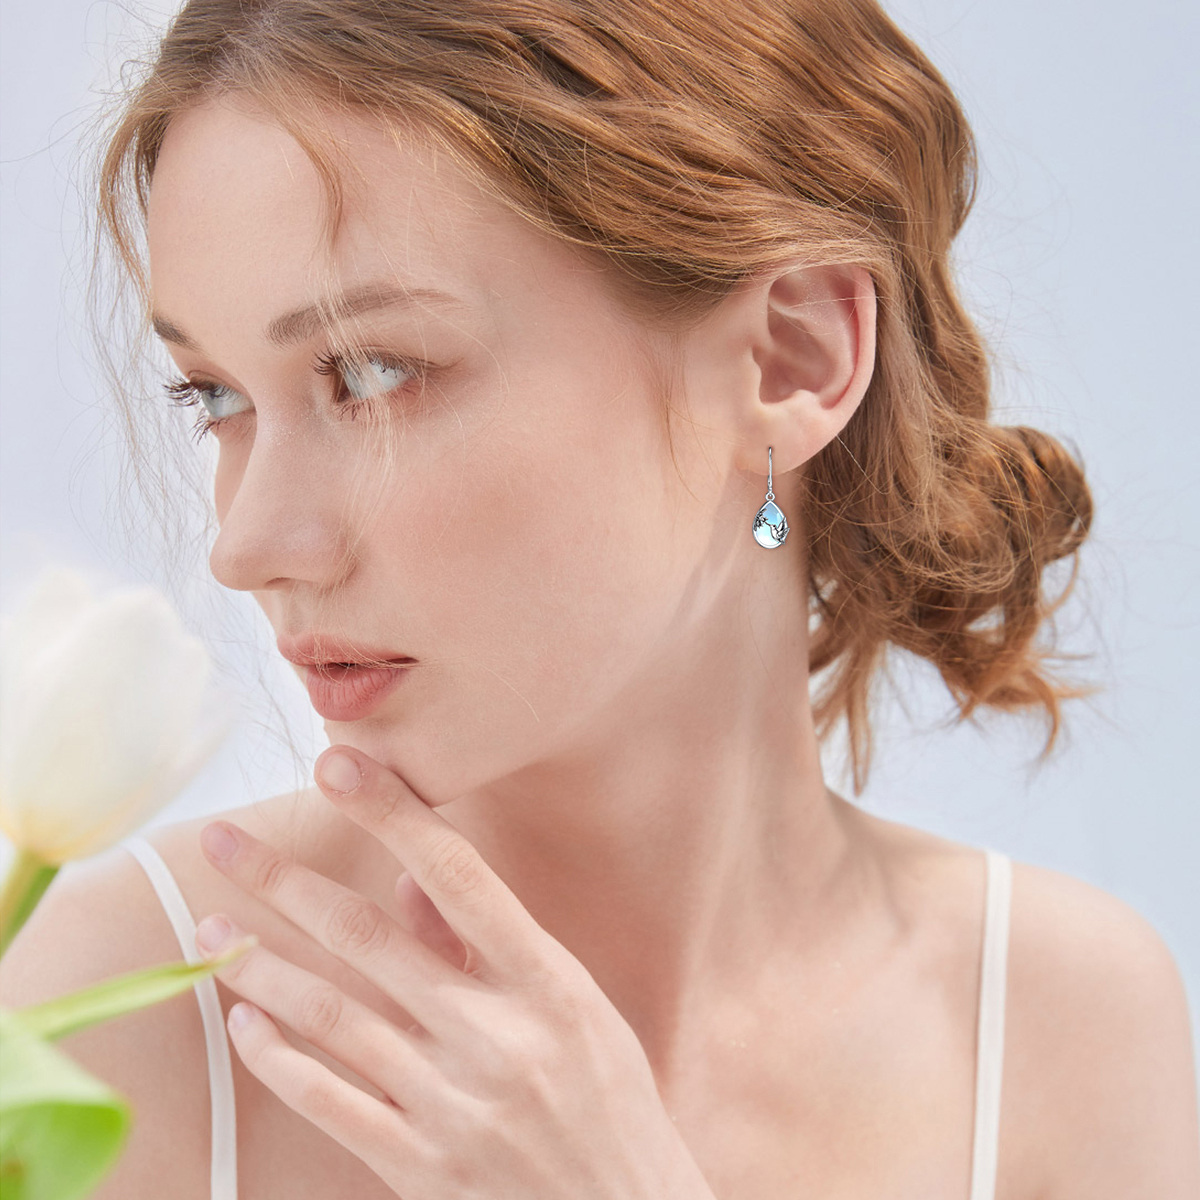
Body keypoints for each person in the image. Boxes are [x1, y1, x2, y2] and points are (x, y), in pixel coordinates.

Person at [3, 1, 1197, 1197]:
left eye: (373, 372)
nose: (248, 542)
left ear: (792, 357)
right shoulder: (110, 1014)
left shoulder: (1063, 1034)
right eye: (212, 396)